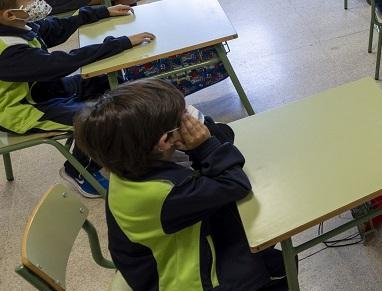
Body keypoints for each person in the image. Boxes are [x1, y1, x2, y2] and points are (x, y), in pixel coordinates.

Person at [74, 80, 286, 290]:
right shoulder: (166, 192)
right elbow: (236, 184)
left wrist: (205, 132)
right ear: (165, 141)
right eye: (183, 118)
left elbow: (226, 136)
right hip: (185, 281)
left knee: (266, 252)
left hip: (165, 255)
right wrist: (204, 146)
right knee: (270, 257)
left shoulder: (129, 165)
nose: (190, 120)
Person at [0, 0, 153, 197]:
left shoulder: (17, 25)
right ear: (10, 14)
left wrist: (102, 12)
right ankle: (78, 171)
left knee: (110, 80)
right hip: (23, 109)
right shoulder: (7, 52)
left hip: (46, 89)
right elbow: (62, 62)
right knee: (95, 119)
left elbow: (54, 28)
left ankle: (119, 145)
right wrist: (120, 43)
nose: (37, 1)